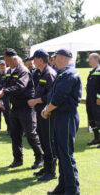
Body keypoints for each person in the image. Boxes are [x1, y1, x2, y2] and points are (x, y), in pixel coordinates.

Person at [0, 48, 43, 169]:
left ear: (14, 59)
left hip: (26, 107)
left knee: (30, 133)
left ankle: (40, 157)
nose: (6, 63)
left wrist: (4, 92)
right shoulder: (9, 71)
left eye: (7, 60)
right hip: (15, 107)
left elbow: (20, 86)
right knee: (14, 134)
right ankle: (18, 159)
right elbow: (6, 85)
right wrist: (0, 98)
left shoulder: (23, 71)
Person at [41, 49, 81, 195]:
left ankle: (72, 190)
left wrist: (46, 110)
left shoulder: (69, 73)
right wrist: (48, 108)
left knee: (66, 154)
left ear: (63, 58)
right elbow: (54, 95)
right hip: (60, 116)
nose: (54, 60)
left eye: (55, 57)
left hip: (67, 117)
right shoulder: (63, 73)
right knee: (60, 152)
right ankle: (63, 186)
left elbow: (59, 98)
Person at [28, 49, 57, 181]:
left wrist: (36, 101)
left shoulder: (49, 74)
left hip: (47, 113)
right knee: (43, 140)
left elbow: (51, 96)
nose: (32, 62)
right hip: (40, 112)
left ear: (40, 60)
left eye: (34, 59)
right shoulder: (39, 73)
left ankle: (51, 171)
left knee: (48, 141)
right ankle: (46, 167)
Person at [86, 53, 100, 146]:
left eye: (90, 59)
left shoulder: (99, 70)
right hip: (90, 100)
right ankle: (97, 138)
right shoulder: (92, 71)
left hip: (96, 100)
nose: (88, 60)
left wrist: (99, 97)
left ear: (96, 59)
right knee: (92, 119)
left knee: (98, 119)